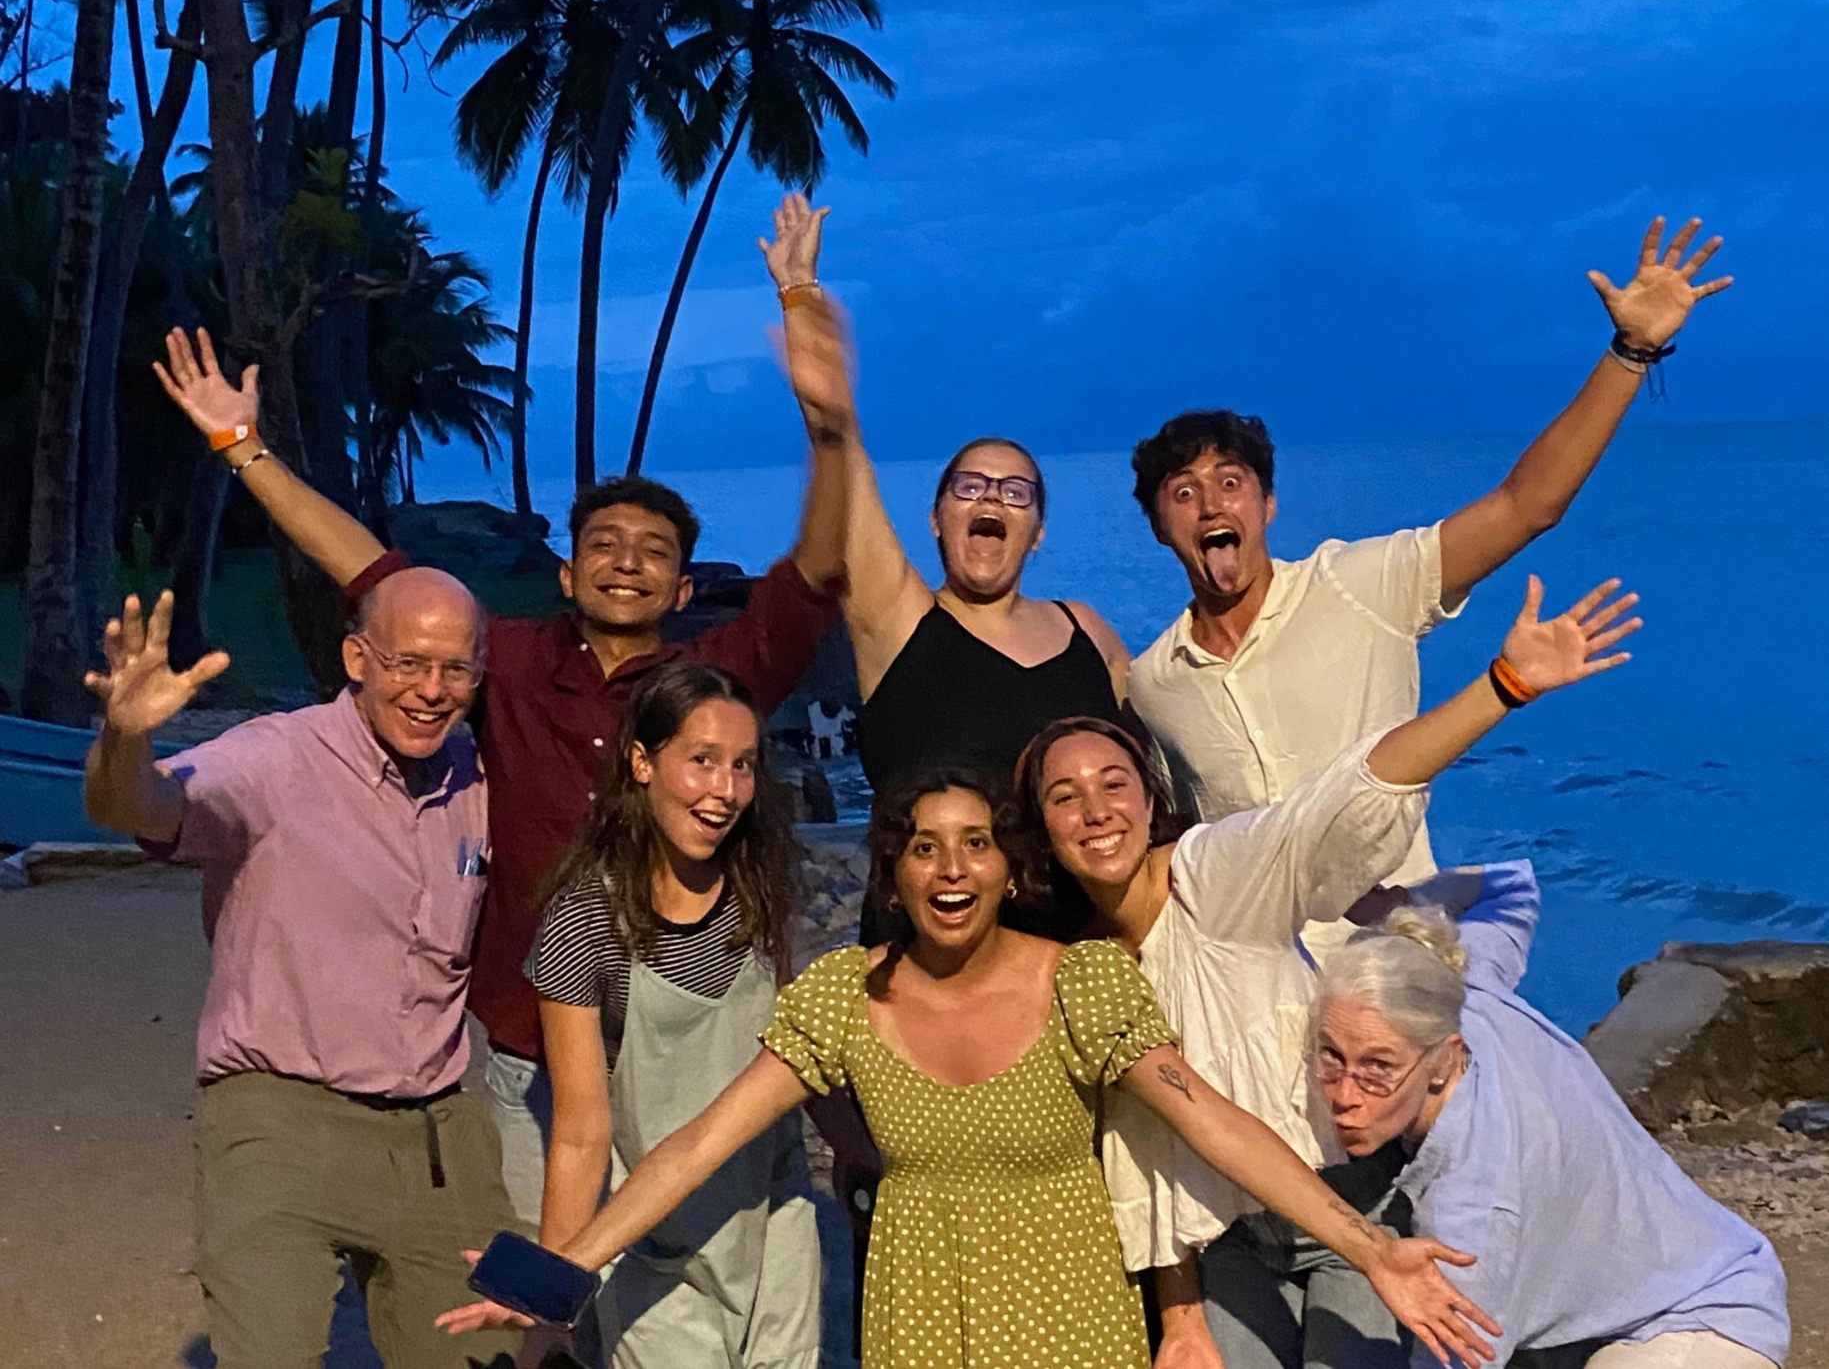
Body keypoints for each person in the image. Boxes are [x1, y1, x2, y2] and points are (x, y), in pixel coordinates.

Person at [440, 768, 1503, 1368]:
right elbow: (692, 1146)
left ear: (1005, 867)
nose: (952, 866)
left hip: (1068, 1306)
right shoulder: (842, 997)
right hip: (916, 1308)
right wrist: (559, 1266)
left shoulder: (1081, 983)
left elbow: (1211, 1122)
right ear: (894, 871)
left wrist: (1370, 1248)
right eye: (923, 845)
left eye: (976, 842)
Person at [151, 325, 846, 1230]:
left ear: (682, 590)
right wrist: (242, 448)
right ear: (567, 571)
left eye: (653, 550)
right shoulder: (505, 661)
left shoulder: (714, 681)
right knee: (540, 1269)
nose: (626, 560)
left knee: (679, 1275)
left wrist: (830, 428)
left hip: (683, 1040)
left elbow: (816, 572)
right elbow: (368, 570)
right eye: (603, 543)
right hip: (530, 1040)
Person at [1021, 575, 1641, 1369]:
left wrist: (1501, 686)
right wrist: (1178, 1320)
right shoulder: (1086, 969)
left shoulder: (1212, 878)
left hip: (1360, 1205)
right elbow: (1145, 1150)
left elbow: (1338, 800)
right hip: (1233, 1237)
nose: (1095, 810)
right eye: (1064, 798)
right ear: (1041, 827)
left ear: (1149, 796)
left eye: (1114, 785)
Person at [1125, 215, 1732, 964]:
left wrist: (1630, 352)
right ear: (1157, 526)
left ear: (1267, 505)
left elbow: (1524, 505)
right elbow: (1180, 842)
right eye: (1183, 493)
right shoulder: (1153, 685)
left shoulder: (1357, 584)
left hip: (1395, 958)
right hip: (1254, 977)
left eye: (1230, 483)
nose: (1212, 505)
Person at [80, 579, 519, 1369]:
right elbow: (138, 808)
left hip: (437, 1136)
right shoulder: (275, 759)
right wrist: (124, 738)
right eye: (407, 662)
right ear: (356, 657)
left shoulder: (475, 776)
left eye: (455, 670)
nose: (430, 690)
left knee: (491, 1354)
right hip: (279, 1121)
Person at [1310, 864, 1790, 1369]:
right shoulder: (1463, 994)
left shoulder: (1472, 1212)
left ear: (1444, 1059)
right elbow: (1508, 887)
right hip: (1608, 1312)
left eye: (1378, 1068)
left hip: (1697, 1319)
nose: (1344, 1094)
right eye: (1331, 1056)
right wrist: (1400, 905)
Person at [764, 195, 1132, 806]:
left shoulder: (1085, 629)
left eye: (1016, 492)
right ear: (937, 519)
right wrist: (799, 290)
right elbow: (841, 452)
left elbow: (1161, 749)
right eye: (970, 486)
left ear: (1038, 531)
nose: (992, 496)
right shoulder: (897, 619)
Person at [524, 661, 819, 1366]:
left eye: (743, 766)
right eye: (702, 761)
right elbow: (580, 1134)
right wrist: (550, 1303)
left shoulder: (763, 893)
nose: (724, 790)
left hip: (771, 1220)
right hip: (655, 1240)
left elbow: (804, 1050)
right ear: (641, 762)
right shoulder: (584, 922)